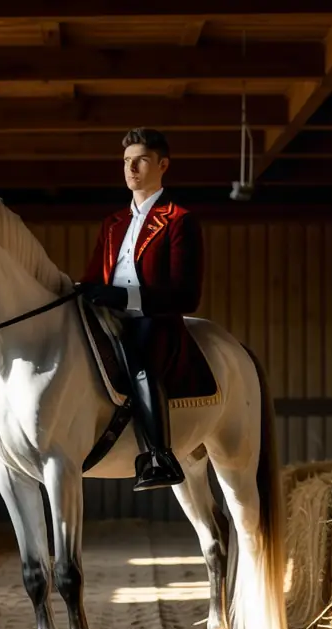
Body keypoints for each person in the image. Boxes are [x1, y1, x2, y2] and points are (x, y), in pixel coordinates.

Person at [78, 128, 204, 492]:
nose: (131, 168)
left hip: (154, 320)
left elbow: (186, 295)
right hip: (109, 316)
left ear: (163, 165)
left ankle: (159, 456)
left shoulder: (180, 220)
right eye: (126, 162)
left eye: (141, 160)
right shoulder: (113, 222)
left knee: (140, 361)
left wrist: (127, 299)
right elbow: (92, 276)